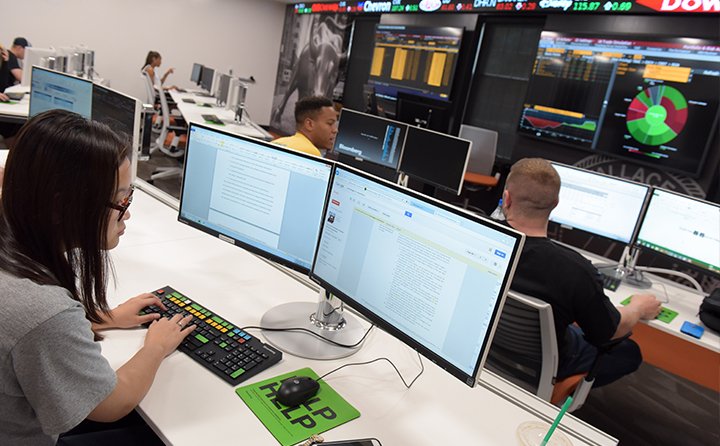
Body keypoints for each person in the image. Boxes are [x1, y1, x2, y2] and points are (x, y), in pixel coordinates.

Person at [0, 110, 196, 445]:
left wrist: (101, 319)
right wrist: (156, 346)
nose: (128, 210)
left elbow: (19, 337)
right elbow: (111, 404)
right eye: (121, 198)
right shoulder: (42, 309)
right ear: (64, 207)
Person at [502, 158, 661, 387]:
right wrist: (637, 308)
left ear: (507, 198)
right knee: (627, 351)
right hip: (543, 364)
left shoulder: (479, 236)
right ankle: (561, 389)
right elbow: (609, 333)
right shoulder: (575, 270)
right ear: (556, 203)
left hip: (484, 346)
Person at [272, 96, 338, 157]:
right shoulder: (311, 152)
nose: (335, 130)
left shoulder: (276, 142)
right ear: (309, 124)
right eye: (330, 123)